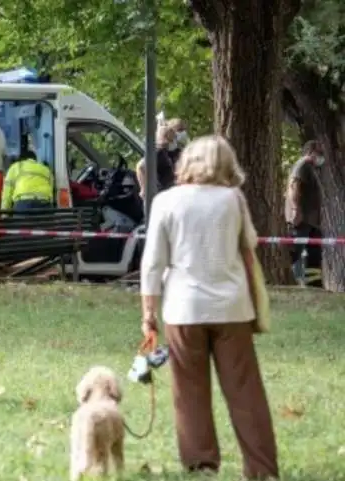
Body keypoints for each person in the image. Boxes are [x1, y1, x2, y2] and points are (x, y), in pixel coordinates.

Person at [139, 135, 279, 480]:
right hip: (232, 308)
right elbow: (250, 243)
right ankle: (262, 469)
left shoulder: (166, 201)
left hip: (183, 309)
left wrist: (148, 313)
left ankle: (201, 465)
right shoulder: (233, 199)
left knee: (189, 391)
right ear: (226, 164)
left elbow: (153, 263)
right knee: (245, 391)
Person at [285, 140, 324, 284]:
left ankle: (315, 285)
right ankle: (285, 280)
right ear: (310, 152)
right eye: (319, 153)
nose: (321, 156)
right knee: (294, 251)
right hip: (302, 220)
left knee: (314, 254)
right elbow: (293, 186)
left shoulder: (311, 168)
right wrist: (295, 209)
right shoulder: (303, 165)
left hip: (313, 222)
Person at [135, 124, 178, 198]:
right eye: (173, 139)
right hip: (162, 194)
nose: (174, 141)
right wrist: (144, 189)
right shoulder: (158, 152)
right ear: (166, 138)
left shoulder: (164, 152)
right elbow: (140, 166)